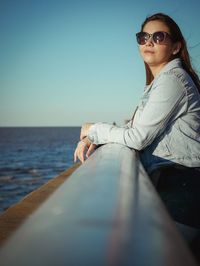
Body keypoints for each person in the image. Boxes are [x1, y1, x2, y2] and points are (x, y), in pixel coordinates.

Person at [74, 12, 200, 175]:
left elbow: (137, 138)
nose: (148, 42)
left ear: (176, 47)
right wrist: (92, 137)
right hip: (171, 174)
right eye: (143, 37)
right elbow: (135, 128)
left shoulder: (173, 80)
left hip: (182, 178)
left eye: (158, 37)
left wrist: (93, 129)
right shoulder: (159, 82)